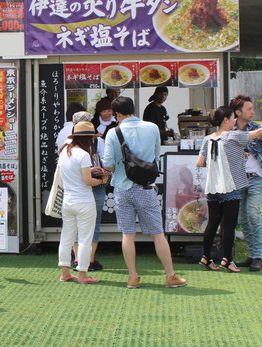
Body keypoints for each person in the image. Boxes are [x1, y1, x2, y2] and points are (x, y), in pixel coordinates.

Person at [103, 96, 186, 288]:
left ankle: (133, 277)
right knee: (157, 233)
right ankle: (170, 276)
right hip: (146, 188)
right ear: (133, 109)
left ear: (117, 114)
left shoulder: (112, 132)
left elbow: (108, 164)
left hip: (122, 189)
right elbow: (156, 155)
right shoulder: (152, 128)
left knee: (127, 235)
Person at [196, 105, 262, 273]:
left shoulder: (207, 139)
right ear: (226, 120)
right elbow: (257, 133)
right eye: (233, 118)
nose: (235, 121)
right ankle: (227, 260)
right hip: (230, 186)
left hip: (212, 188)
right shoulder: (233, 136)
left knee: (212, 224)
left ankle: (206, 257)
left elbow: (200, 163)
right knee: (229, 226)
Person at [57, 121, 110, 284]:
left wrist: (91, 171)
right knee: (85, 239)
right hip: (84, 202)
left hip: (68, 201)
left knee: (66, 237)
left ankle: (65, 273)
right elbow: (88, 181)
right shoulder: (84, 155)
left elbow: (74, 173)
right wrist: (103, 179)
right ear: (88, 139)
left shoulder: (65, 151)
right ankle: (83, 275)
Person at [231, 95, 262, 272]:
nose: (253, 112)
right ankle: (252, 254)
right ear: (238, 112)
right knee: (243, 218)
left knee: (253, 215)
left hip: (256, 177)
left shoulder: (257, 128)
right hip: (238, 178)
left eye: (252, 108)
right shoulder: (230, 128)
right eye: (249, 109)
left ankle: (258, 256)